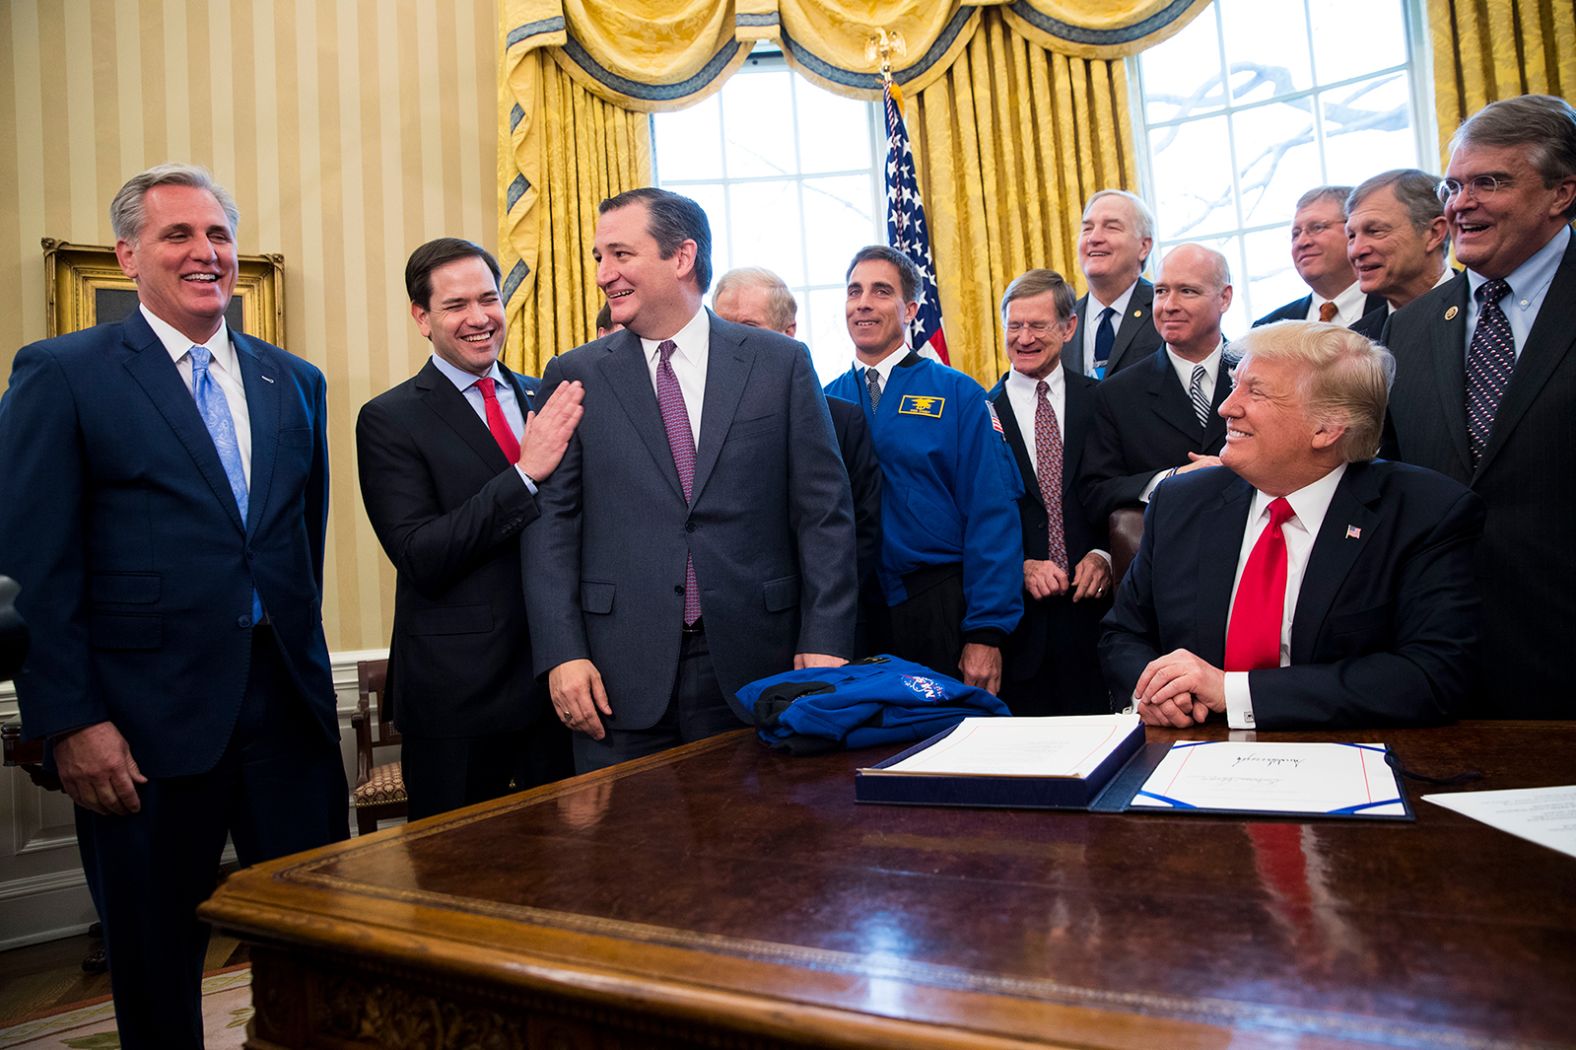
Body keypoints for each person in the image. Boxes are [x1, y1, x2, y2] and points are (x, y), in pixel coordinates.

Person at [0, 164, 348, 1048]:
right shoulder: (63, 373)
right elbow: (34, 563)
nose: (206, 253)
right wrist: (69, 720)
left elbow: (295, 544)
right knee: (155, 965)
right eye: (178, 236)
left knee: (319, 949)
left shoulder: (293, 381)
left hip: (289, 717)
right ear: (128, 256)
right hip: (141, 730)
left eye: (219, 235)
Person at [523, 188, 857, 772]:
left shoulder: (779, 363)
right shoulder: (574, 375)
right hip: (616, 676)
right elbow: (552, 527)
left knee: (759, 854)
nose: (604, 275)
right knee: (629, 857)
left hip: (760, 664)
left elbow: (823, 512)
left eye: (621, 255)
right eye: (599, 257)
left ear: (681, 257)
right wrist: (562, 653)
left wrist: (827, 636)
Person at [1101, 321, 1484, 729]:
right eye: (1234, 385)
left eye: (1256, 391)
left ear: (1327, 427)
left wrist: (1232, 692)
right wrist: (1157, 690)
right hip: (1189, 751)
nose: (1227, 407)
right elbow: (1123, 636)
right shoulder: (1180, 501)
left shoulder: (1426, 514)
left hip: (1347, 759)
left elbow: (1429, 675)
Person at [356, 238, 583, 819]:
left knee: (572, 880)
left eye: (489, 299)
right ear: (422, 318)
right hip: (457, 701)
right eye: (457, 305)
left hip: (561, 682)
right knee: (454, 883)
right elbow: (420, 553)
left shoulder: (547, 397)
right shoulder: (390, 419)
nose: (480, 318)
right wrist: (524, 474)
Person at [1383, 93, 1576, 719]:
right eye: (1453, 185)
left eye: (1489, 183)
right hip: (1439, 663)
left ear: (1561, 193)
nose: (1461, 204)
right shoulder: (1409, 331)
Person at [825, 246, 1022, 694]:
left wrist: (986, 632)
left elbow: (991, 513)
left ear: (910, 308)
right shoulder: (821, 401)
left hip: (937, 606)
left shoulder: (958, 394)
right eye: (854, 291)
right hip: (853, 613)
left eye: (880, 291)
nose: (863, 303)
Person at [711, 266, 885, 655]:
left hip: (821, 631)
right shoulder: (694, 422)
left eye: (749, 326)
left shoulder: (842, 420)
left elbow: (857, 536)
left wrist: (822, 626)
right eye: (722, 328)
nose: (732, 342)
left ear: (788, 334)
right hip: (730, 632)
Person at [986, 270, 1112, 715]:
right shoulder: (982, 412)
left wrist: (1104, 554)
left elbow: (1119, 493)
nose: (1024, 338)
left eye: (1037, 325)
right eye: (1014, 326)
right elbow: (975, 518)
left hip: (1098, 624)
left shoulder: (1105, 401)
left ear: (1068, 327)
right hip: (1021, 631)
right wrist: (1018, 565)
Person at [1078, 243, 1236, 524]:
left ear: (1224, 298)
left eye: (1187, 291)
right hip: (1173, 553)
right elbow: (1095, 492)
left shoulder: (1262, 374)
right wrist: (1171, 479)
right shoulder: (1116, 395)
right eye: (1161, 291)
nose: (1169, 306)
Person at [1063, 189, 1163, 379]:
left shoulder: (1166, 310)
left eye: (1111, 227)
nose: (1094, 238)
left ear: (1144, 247)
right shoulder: (1063, 323)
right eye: (1087, 228)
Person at [1254, 186, 1386, 328]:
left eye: (1317, 228)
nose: (1302, 242)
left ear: (1352, 230)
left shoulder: (1395, 309)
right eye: (1296, 234)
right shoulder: (1268, 328)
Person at [1345, 169, 1453, 338]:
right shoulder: (1355, 341)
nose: (1357, 250)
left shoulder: (1487, 311)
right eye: (1351, 236)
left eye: (1374, 231)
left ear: (1434, 233)